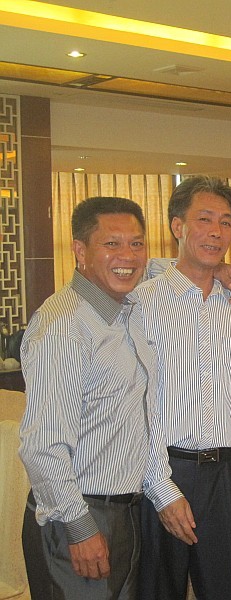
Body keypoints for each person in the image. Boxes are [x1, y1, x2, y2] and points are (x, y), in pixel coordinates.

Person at [136, 176, 231, 600]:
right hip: (161, 470)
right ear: (177, 226)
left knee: (226, 590)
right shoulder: (143, 303)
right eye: (204, 219)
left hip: (225, 476)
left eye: (225, 222)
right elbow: (138, 408)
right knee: (157, 591)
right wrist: (162, 490)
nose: (216, 232)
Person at [19, 196, 155, 600]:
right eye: (111, 244)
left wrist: (219, 268)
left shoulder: (125, 310)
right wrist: (79, 527)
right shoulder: (64, 327)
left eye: (136, 243)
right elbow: (43, 445)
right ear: (80, 251)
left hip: (125, 512)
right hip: (79, 515)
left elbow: (168, 268)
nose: (127, 255)